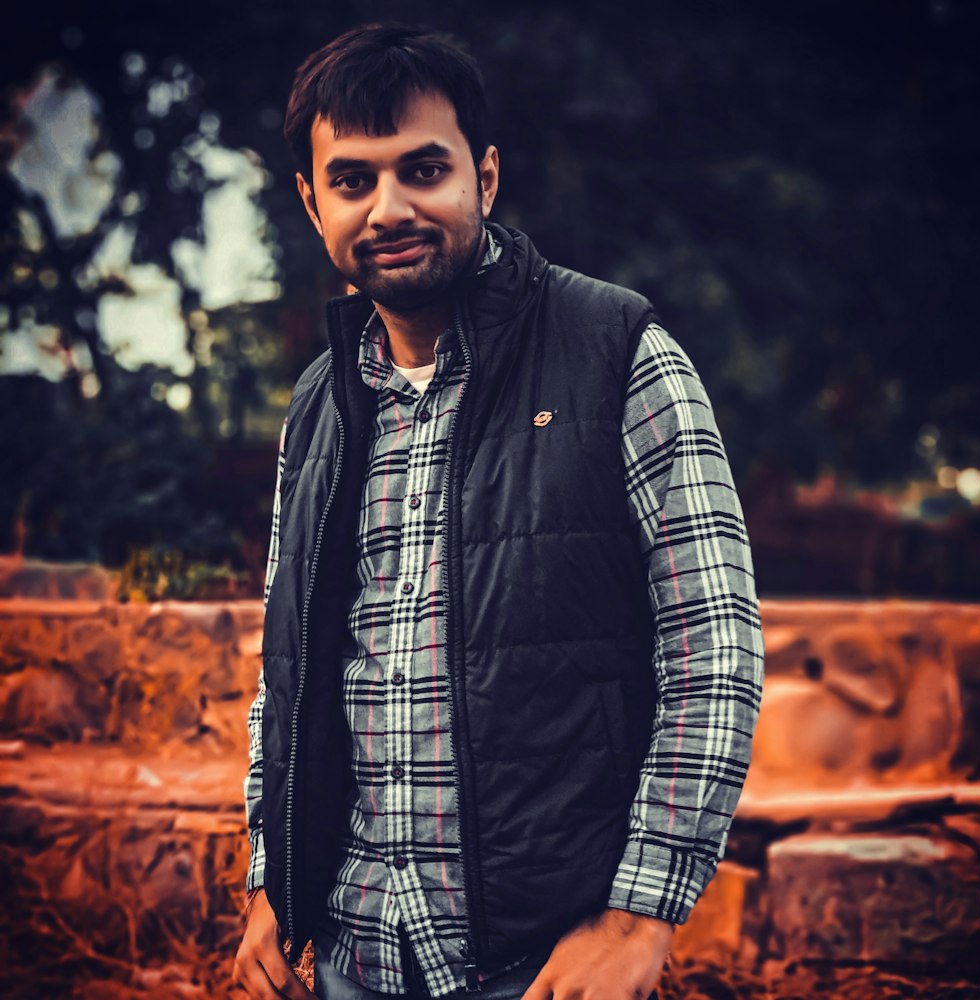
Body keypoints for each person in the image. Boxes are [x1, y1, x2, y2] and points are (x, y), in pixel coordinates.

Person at [233, 21, 764, 1000]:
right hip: (351, 954)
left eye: (422, 169)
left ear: (483, 177)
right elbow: (292, 669)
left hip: (544, 965)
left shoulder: (618, 351)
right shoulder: (319, 401)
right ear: (313, 204)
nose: (388, 206)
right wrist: (279, 874)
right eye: (352, 180)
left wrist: (638, 913)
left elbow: (712, 650)